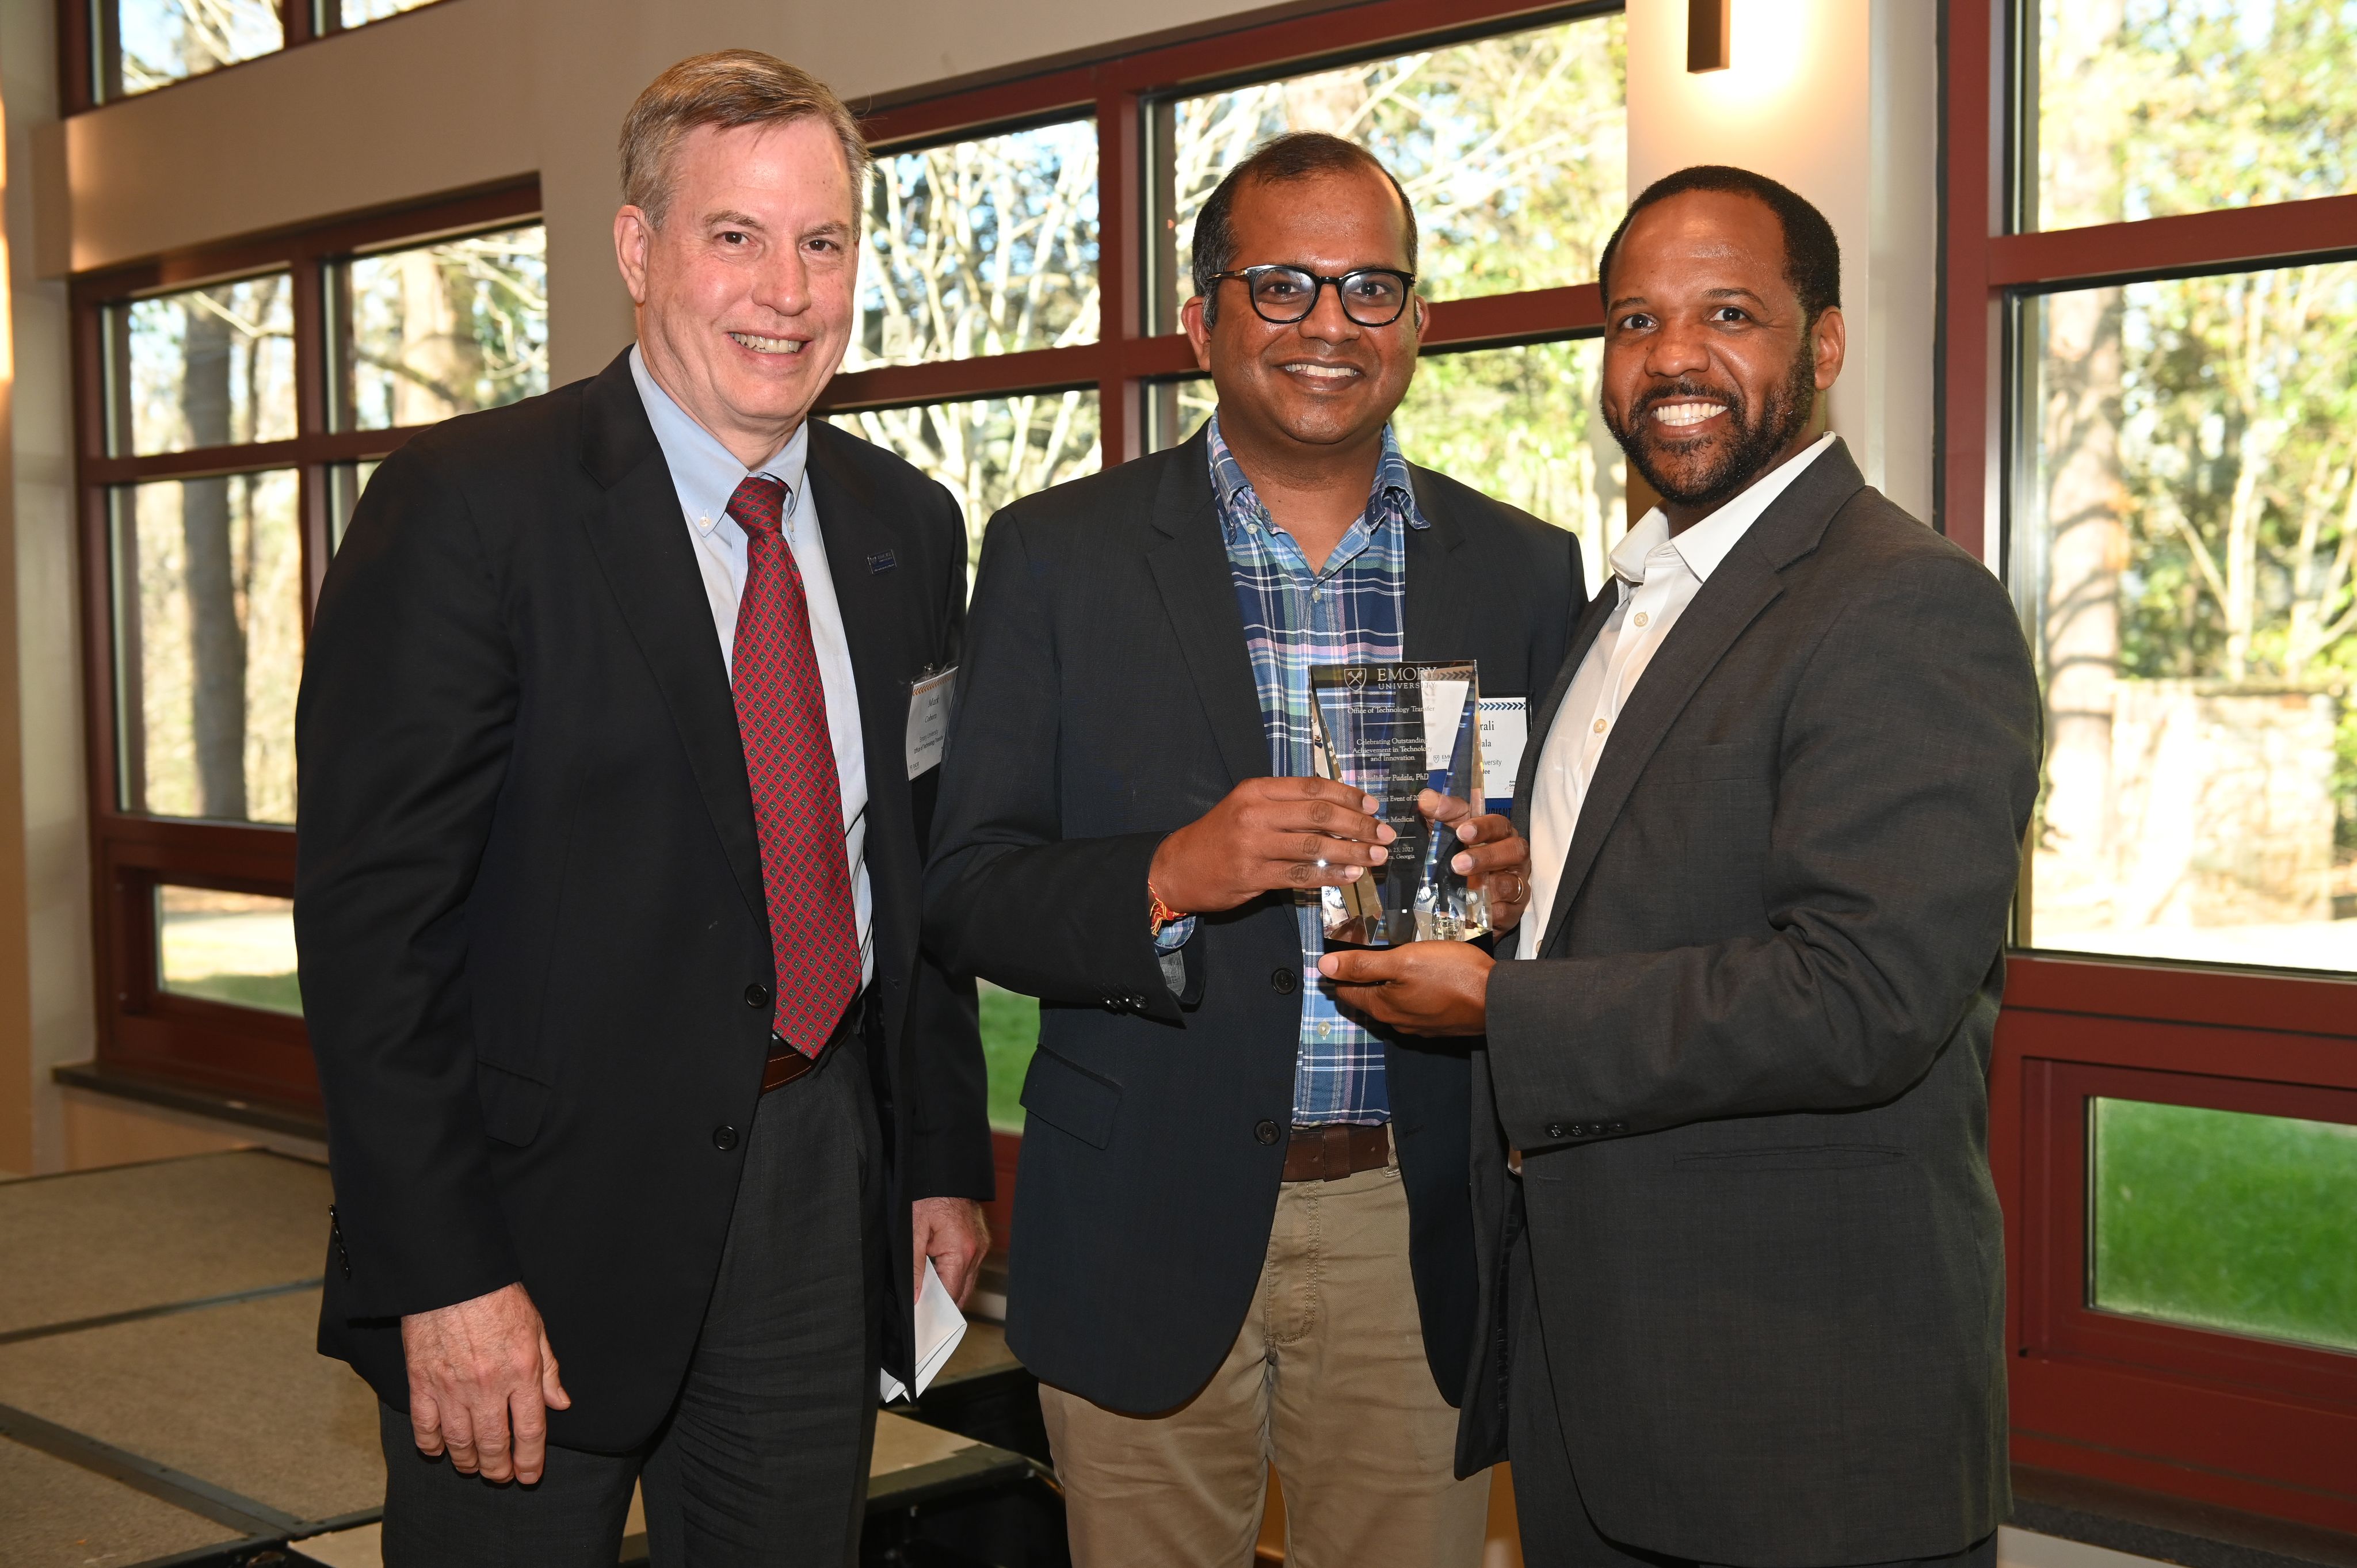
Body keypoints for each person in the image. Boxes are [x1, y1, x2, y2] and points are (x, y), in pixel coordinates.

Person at [293, 50, 993, 1568]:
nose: (787, 291)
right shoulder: (470, 507)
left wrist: (941, 1152)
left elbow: (908, 869)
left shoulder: (906, 528)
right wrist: (446, 1270)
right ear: (636, 247)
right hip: (535, 1221)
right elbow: (372, 936)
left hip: (818, 1190)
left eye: (824, 243)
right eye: (734, 236)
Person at [1319, 164, 2041, 1568]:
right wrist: (1522, 897)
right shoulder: (1632, 598)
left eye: (1727, 313)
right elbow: (1645, 891)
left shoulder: (1903, 602)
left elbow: (1862, 994)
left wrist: (1498, 1007)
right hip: (1603, 1390)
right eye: (1635, 320)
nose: (1673, 359)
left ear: (1820, 346)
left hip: (1794, 1411)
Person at [923, 132, 1579, 1568]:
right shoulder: (1054, 557)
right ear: (1200, 318)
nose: (1327, 325)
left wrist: (1531, 889)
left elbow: (1584, 877)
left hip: (1414, 1223)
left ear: (1420, 323)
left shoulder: (1526, 569)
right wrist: (1166, 875)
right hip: (1140, 1208)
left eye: (1367, 288)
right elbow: (962, 891)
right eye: (1279, 286)